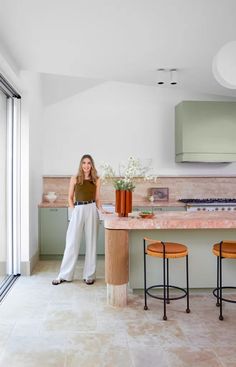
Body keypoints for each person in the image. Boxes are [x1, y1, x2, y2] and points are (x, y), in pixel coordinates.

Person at [52, 154, 107, 285]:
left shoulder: (97, 180)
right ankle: (64, 275)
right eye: (84, 163)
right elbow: (70, 197)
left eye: (89, 163)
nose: (86, 165)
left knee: (91, 242)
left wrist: (101, 209)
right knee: (71, 242)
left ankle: (89, 275)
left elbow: (98, 198)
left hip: (92, 208)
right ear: (81, 165)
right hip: (78, 209)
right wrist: (74, 210)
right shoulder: (75, 179)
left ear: (92, 165)